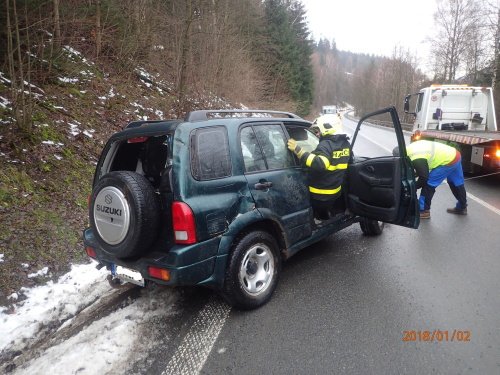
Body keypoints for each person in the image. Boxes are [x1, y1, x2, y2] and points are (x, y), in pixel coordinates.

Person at [287, 115, 350, 220]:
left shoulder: (325, 145)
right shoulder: (345, 144)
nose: (317, 133)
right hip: (335, 192)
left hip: (319, 194)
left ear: (327, 128)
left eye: (318, 130)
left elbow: (320, 164)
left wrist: (299, 150)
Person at [393, 140, 467, 219]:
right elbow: (421, 169)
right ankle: (462, 207)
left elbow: (424, 177)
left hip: (447, 161)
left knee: (429, 184)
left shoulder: (416, 157)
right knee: (456, 183)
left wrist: (413, 187)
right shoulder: (411, 148)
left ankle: (424, 211)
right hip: (454, 154)